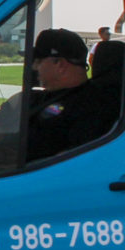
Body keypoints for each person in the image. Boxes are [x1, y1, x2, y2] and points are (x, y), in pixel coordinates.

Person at [23, 29, 119, 163]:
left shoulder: (92, 108)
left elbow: (67, 162)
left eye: (38, 61)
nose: (34, 66)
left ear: (60, 64)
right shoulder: (40, 98)